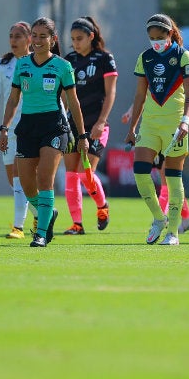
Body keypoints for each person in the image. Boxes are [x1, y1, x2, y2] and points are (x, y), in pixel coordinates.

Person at [0, 17, 88, 248]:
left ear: (53, 39)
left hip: (54, 127)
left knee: (44, 179)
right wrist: (4, 128)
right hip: (27, 127)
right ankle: (49, 212)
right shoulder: (23, 64)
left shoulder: (62, 66)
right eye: (34, 36)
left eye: (42, 36)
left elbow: (73, 102)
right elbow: (13, 99)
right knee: (27, 185)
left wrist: (82, 135)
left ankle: (41, 232)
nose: (37, 40)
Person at [125, 14, 189, 246]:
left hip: (175, 124)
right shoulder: (144, 58)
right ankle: (159, 217)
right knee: (140, 171)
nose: (155, 42)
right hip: (150, 124)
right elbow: (139, 95)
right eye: (151, 38)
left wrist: (186, 120)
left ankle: (173, 233)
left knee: (173, 179)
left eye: (160, 37)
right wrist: (132, 126)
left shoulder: (183, 56)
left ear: (170, 34)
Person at [62, 16, 117, 235]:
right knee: (70, 176)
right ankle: (77, 224)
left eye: (80, 38)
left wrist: (101, 122)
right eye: (73, 39)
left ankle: (102, 207)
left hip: (96, 125)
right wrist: (62, 119)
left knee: (85, 173)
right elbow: (65, 94)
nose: (75, 43)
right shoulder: (69, 60)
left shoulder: (104, 58)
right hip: (72, 125)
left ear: (91, 37)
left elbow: (111, 92)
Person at [0, 21, 33, 239]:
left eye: (19, 36)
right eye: (11, 36)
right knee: (14, 179)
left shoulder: (36, 63)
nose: (13, 40)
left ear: (30, 39)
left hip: (31, 127)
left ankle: (18, 227)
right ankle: (43, 212)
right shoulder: (2, 64)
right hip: (8, 127)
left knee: (19, 175)